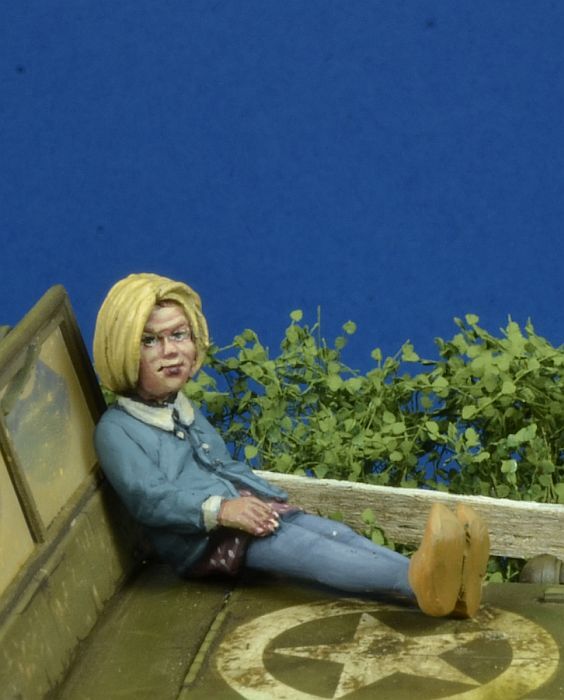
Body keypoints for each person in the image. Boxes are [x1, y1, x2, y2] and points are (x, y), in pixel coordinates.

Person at [93, 273, 490, 618]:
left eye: (179, 335)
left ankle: (441, 579)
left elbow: (220, 465)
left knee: (335, 534)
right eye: (150, 341)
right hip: (201, 542)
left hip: (245, 510)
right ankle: (418, 582)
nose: (170, 351)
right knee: (308, 551)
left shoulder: (181, 408)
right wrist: (224, 510)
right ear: (122, 349)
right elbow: (151, 500)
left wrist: (257, 497)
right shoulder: (118, 430)